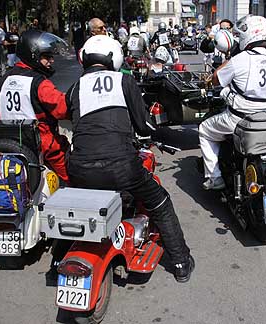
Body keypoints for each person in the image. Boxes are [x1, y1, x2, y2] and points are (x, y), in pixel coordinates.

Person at [65, 35, 194, 282]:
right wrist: (160, 130)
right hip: (121, 165)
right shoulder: (124, 80)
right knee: (160, 202)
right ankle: (181, 262)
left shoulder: (74, 88)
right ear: (114, 57)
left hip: (79, 168)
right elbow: (144, 126)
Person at [199, 15, 266, 190]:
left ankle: (215, 178)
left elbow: (216, 80)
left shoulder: (240, 59)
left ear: (248, 35)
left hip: (240, 120)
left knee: (205, 130)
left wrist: (229, 61)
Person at [0, 29, 70, 183]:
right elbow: (63, 109)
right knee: (74, 176)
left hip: (9, 143)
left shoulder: (3, 81)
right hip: (43, 144)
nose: (51, 61)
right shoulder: (40, 83)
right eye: (46, 57)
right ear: (33, 55)